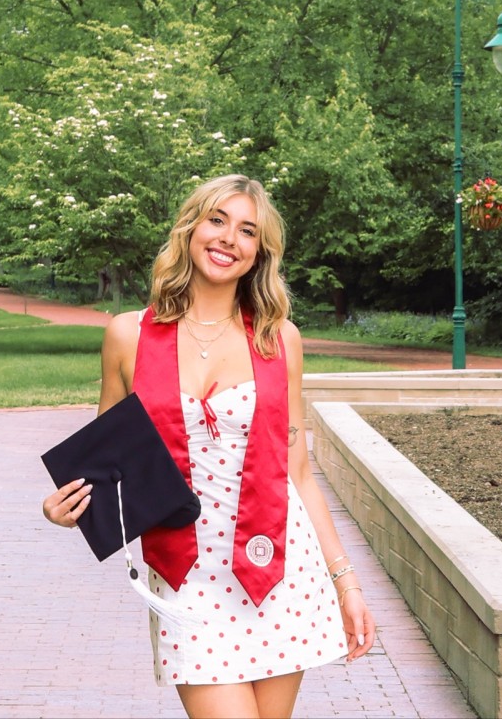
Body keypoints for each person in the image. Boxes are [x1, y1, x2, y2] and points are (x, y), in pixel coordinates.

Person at [42, 174, 376, 719]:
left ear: (259, 253)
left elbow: (298, 472)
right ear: (190, 228)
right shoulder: (128, 335)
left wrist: (347, 583)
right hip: (186, 577)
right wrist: (65, 506)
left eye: (247, 231)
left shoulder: (279, 339)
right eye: (217, 220)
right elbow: (107, 463)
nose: (228, 238)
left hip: (278, 567)